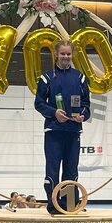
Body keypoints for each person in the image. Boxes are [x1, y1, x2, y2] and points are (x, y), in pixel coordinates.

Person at [34, 39, 91, 214]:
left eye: (68, 54)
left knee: (71, 169)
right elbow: (39, 103)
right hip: (54, 131)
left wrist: (82, 115)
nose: (66, 57)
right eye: (63, 54)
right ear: (56, 55)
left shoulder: (80, 77)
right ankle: (54, 206)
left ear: (72, 55)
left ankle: (70, 205)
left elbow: (87, 105)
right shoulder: (47, 78)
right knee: (52, 169)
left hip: (73, 131)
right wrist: (54, 113)